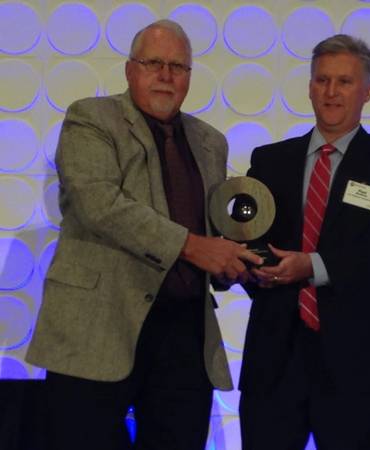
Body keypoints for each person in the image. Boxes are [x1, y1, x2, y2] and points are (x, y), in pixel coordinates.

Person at [26, 19, 261, 450]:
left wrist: (229, 264)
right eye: (154, 63)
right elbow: (101, 205)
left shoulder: (211, 141)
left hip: (184, 334)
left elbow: (209, 228)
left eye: (178, 66)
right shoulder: (90, 117)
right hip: (97, 325)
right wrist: (196, 248)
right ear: (130, 69)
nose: (166, 75)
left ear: (190, 77)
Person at [238, 34, 370, 450]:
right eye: (322, 80)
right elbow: (250, 239)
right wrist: (256, 272)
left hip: (361, 362)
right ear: (309, 87)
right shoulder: (269, 160)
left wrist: (312, 267)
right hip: (275, 359)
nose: (331, 92)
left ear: (368, 90)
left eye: (344, 82)